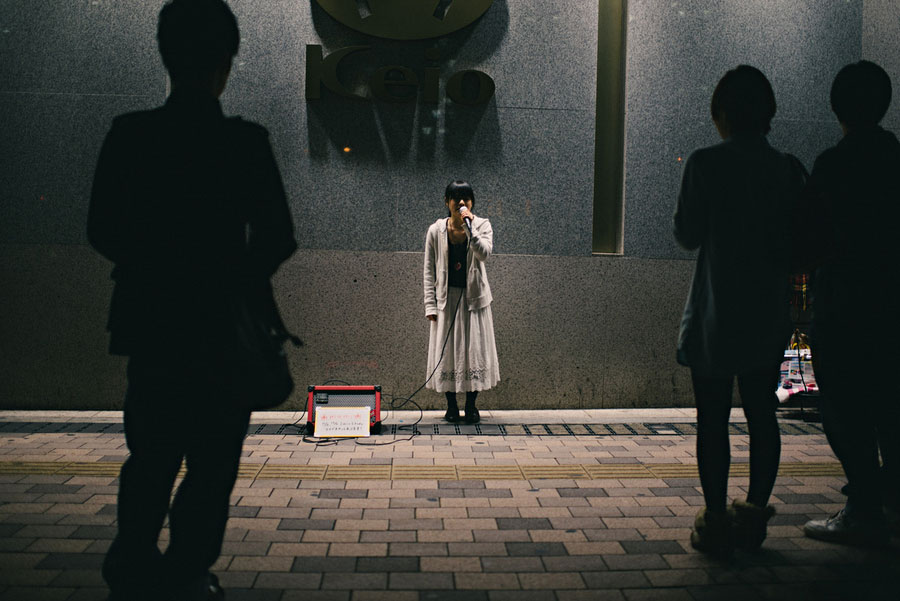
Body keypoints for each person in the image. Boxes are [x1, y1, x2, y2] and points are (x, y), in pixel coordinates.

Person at [87, 1, 297, 599]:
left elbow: (102, 228)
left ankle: (131, 563)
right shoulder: (245, 144)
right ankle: (187, 571)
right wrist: (232, 276)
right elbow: (279, 236)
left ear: (165, 54)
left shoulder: (132, 135)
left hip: (152, 325)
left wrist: (156, 265)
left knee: (149, 453)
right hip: (221, 332)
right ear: (225, 63)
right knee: (212, 464)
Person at [673, 65, 807, 557]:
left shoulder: (706, 164)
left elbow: (686, 233)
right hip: (767, 311)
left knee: (712, 418)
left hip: (716, 311)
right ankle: (752, 514)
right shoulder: (788, 169)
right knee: (761, 415)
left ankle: (714, 516)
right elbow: (801, 247)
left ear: (722, 113)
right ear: (768, 114)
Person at [799, 60, 900, 548]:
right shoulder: (895, 159)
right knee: (890, 405)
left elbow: (810, 240)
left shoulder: (833, 166)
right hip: (893, 305)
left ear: (837, 107)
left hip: (843, 306)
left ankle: (863, 507)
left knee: (846, 409)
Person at [423, 180, 500, 424]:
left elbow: (484, 254)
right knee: (447, 353)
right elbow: (428, 270)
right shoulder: (435, 231)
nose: (462, 203)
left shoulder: (482, 225)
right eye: (457, 198)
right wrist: (430, 305)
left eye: (467, 198)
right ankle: (451, 405)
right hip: (447, 299)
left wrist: (470, 229)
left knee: (473, 352)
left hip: (474, 299)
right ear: (447, 202)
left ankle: (471, 405)